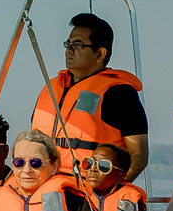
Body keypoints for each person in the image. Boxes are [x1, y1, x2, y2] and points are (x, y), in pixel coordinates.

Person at [30, 12, 149, 181]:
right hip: (43, 182)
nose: (69, 50)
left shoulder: (119, 93)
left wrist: (110, 192)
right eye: (68, 43)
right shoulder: (50, 88)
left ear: (100, 54)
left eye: (77, 45)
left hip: (88, 189)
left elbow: (139, 156)